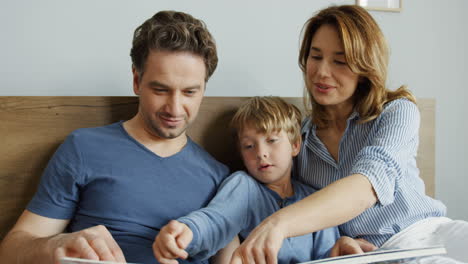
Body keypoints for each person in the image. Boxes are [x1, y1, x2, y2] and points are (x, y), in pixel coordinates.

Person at [229, 5, 468, 264]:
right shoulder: (299, 145)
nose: (322, 72)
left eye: (340, 62)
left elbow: (367, 185)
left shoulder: (397, 112)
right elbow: (307, 211)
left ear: (364, 66)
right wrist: (340, 240)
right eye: (315, 56)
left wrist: (279, 224)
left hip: (432, 232)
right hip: (372, 254)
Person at [0, 10, 230, 264]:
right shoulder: (83, 148)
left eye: (189, 92)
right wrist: (56, 246)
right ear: (136, 80)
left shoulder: (220, 178)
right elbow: (10, 252)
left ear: (203, 90)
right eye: (160, 90)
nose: (175, 108)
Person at [152, 96, 377, 264]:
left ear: (295, 145)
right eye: (249, 146)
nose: (261, 153)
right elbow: (217, 220)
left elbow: (326, 254)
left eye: (272, 140)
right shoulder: (244, 186)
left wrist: (342, 246)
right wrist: (188, 231)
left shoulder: (313, 199)